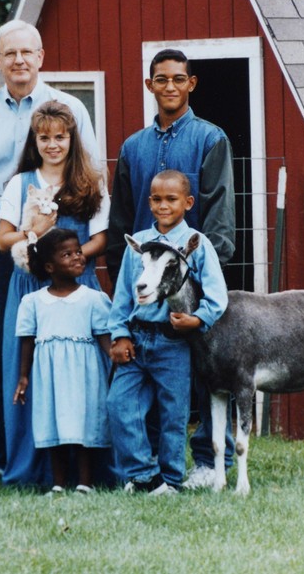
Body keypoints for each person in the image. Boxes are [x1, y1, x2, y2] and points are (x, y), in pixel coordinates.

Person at [0, 19, 100, 481]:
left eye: (27, 52)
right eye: (9, 53)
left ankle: (80, 461)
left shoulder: (69, 108)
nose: (19, 60)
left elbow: (92, 178)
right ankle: (9, 462)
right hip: (9, 243)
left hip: (71, 246)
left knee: (77, 356)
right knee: (10, 357)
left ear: (41, 56)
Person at [105, 48, 236, 489]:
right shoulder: (132, 147)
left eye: (178, 79)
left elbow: (218, 212)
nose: (170, 87)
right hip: (145, 283)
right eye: (161, 79)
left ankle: (208, 460)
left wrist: (199, 282)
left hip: (191, 284)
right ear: (150, 85)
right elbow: (123, 217)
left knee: (204, 376)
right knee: (154, 386)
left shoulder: (210, 137)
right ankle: (150, 471)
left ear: (191, 84)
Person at [0, 100, 109, 485]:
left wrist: (73, 259)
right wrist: (35, 237)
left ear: (72, 138)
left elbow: (100, 239)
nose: (53, 145)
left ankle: (88, 471)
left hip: (77, 287)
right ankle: (35, 470)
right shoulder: (20, 182)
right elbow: (2, 238)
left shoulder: (89, 183)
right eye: (44, 137)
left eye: (60, 137)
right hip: (31, 285)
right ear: (35, 140)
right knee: (29, 371)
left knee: (83, 374)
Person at [106, 170, 228, 494]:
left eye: (171, 199)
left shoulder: (197, 245)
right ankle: (145, 474)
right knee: (119, 405)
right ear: (149, 202)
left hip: (173, 342)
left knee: (173, 413)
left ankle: (171, 480)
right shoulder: (139, 244)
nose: (163, 206)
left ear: (187, 203)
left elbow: (218, 295)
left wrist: (198, 319)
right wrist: (119, 334)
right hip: (136, 339)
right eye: (157, 199)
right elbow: (122, 296)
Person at [13, 228, 113, 494]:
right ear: (49, 266)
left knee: (84, 423)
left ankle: (85, 482)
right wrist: (23, 377)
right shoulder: (33, 302)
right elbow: (27, 340)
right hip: (50, 375)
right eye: (67, 254)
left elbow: (105, 338)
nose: (78, 257)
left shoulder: (94, 299)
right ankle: (57, 483)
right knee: (52, 422)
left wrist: (117, 365)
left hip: (85, 375)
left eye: (78, 251)